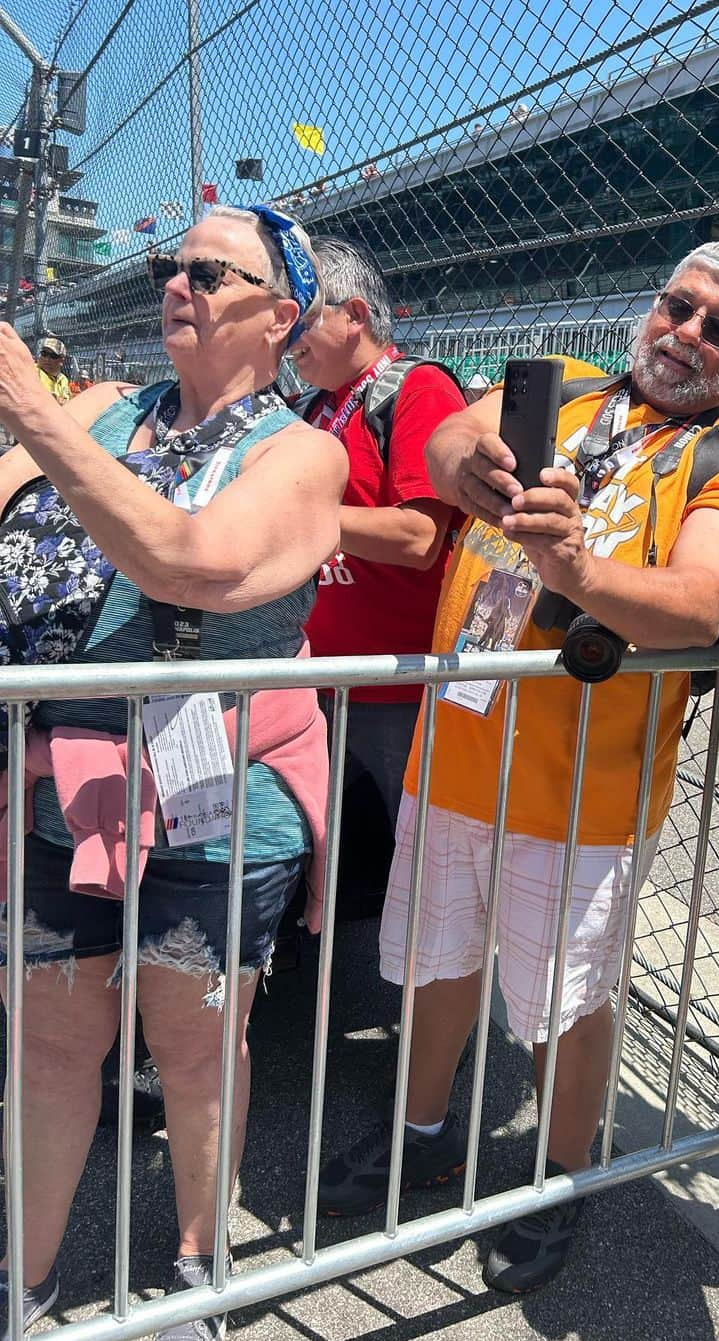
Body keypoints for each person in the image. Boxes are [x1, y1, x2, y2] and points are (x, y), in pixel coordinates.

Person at [317, 240, 719, 1292]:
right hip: (456, 759)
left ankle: (560, 1175)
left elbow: (705, 601)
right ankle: (424, 1131)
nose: (688, 335)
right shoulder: (558, 389)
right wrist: (468, 470)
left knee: (567, 999)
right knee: (439, 963)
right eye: (679, 306)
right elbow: (451, 442)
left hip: (586, 793)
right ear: (649, 307)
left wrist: (572, 565)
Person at [0, 203, 346, 1341]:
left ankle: (202, 1271)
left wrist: (40, 430)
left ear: (279, 315)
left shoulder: (301, 451)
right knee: (51, 1049)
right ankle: (28, 1277)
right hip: (64, 786)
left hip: (214, 805)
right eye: (172, 265)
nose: (179, 284)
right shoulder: (106, 408)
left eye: (212, 270)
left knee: (196, 1053)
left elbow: (193, 563)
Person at [292, 236, 464, 912]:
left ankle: (454, 1015)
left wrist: (300, 516)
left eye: (300, 319)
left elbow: (421, 536)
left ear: (353, 315)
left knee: (429, 877)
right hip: (316, 683)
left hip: (401, 693)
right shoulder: (313, 407)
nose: (288, 340)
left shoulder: (417, 389)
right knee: (318, 861)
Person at [35, 337, 71, 404]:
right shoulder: (33, 370)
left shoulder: (63, 379)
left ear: (62, 360)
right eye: (44, 354)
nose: (47, 359)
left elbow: (67, 400)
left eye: (53, 356)